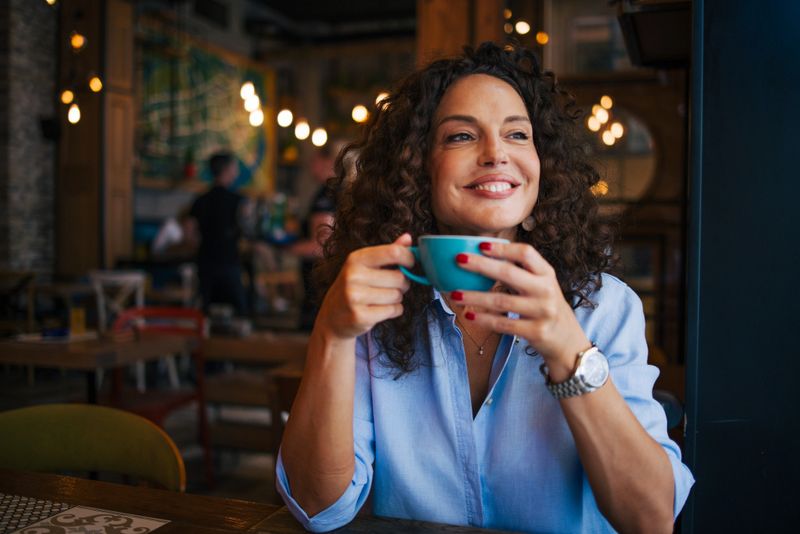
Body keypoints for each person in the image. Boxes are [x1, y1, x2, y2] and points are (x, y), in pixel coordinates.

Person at [277, 42, 694, 533]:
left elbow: (650, 520)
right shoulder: (373, 308)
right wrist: (331, 333)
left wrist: (569, 350)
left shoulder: (603, 306)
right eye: (460, 136)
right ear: (417, 168)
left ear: (543, 166)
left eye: (517, 134)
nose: (496, 154)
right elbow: (319, 508)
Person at [188, 151, 248, 315]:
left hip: (205, 260)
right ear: (227, 169)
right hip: (229, 260)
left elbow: (190, 231)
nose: (236, 171)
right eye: (234, 167)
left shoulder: (201, 199)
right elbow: (246, 229)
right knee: (240, 308)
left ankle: (205, 338)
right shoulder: (238, 201)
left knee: (205, 307)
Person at [289, 145, 340, 330]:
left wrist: (285, 247)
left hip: (320, 289)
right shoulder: (339, 190)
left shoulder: (326, 194)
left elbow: (322, 247)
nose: (311, 166)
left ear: (328, 161)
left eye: (315, 161)